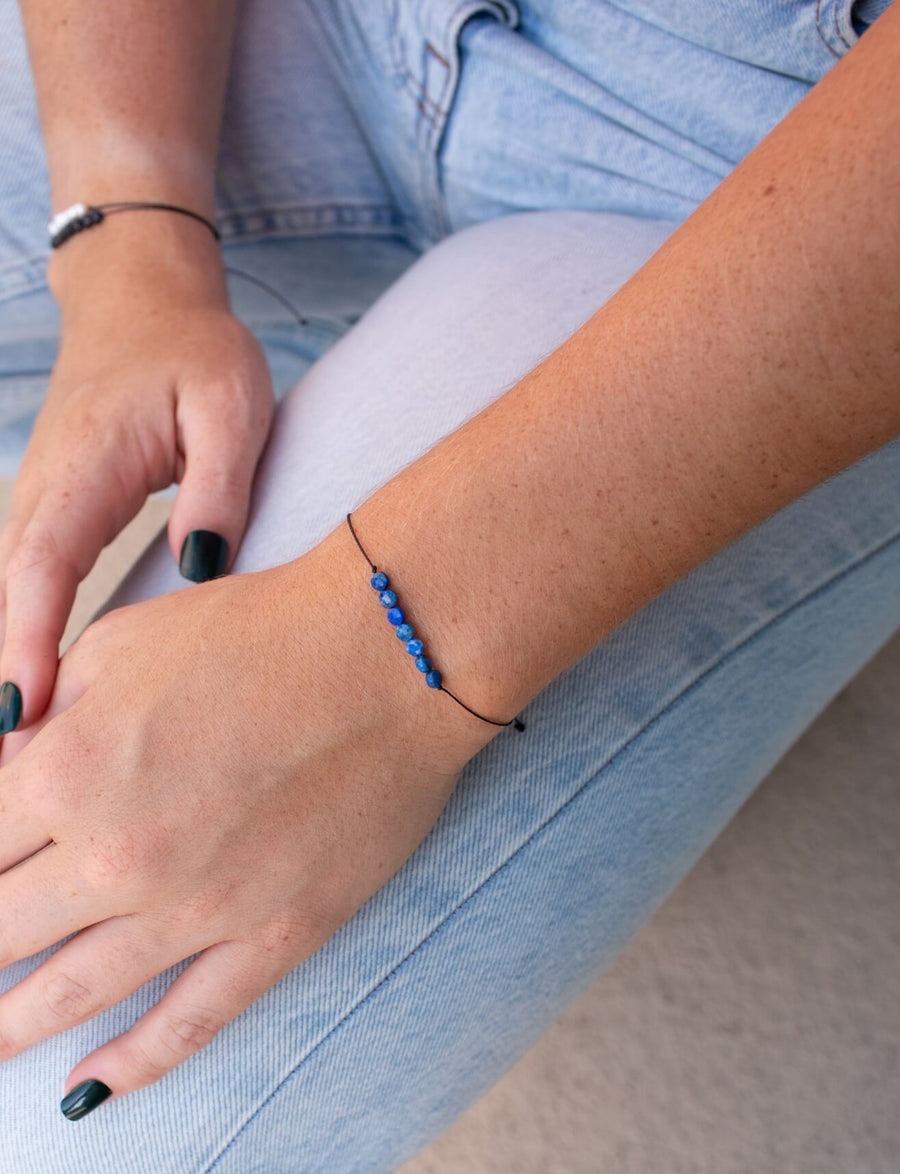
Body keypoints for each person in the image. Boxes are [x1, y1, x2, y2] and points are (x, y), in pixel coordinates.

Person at [0, 0, 897, 1168]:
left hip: (777, 157)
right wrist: (122, 229)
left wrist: (369, 660)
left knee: (62, 1115)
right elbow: (117, 217)